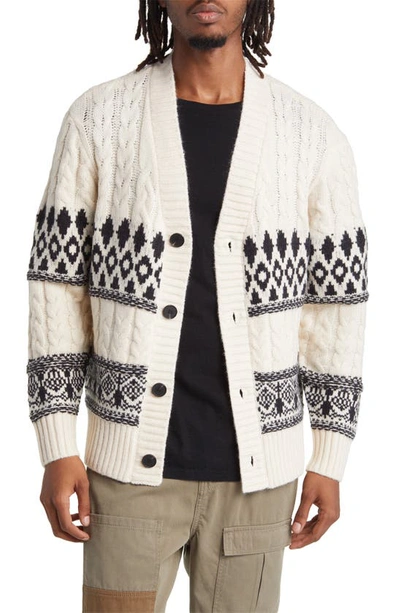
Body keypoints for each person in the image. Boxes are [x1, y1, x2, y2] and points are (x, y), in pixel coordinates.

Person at [26, 1, 369, 612]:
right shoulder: (99, 119)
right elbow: (57, 285)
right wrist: (56, 442)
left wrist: (330, 455)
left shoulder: (311, 135)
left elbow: (336, 307)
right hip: (128, 475)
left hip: (258, 482)